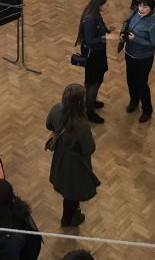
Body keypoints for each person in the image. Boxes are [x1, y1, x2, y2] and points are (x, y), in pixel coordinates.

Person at [46, 84, 100, 227]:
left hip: (60, 157)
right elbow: (89, 149)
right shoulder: (82, 124)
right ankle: (68, 219)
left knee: (67, 189)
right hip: (75, 164)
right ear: (80, 102)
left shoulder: (56, 109)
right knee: (72, 192)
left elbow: (49, 125)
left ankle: (71, 215)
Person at [75, 0, 119, 123]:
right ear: (99, 5)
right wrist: (106, 37)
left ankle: (91, 101)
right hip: (93, 55)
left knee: (91, 80)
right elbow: (90, 41)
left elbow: (98, 30)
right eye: (105, 4)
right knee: (95, 82)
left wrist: (108, 30)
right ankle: (89, 112)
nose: (107, 7)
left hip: (97, 53)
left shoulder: (95, 14)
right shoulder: (90, 19)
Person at [123, 0, 155, 123]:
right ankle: (134, 100)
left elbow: (153, 44)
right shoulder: (136, 11)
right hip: (129, 53)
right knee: (130, 79)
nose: (141, 9)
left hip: (143, 58)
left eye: (145, 7)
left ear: (151, 8)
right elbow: (127, 21)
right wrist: (123, 31)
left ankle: (147, 110)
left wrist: (136, 39)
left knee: (141, 83)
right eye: (140, 5)